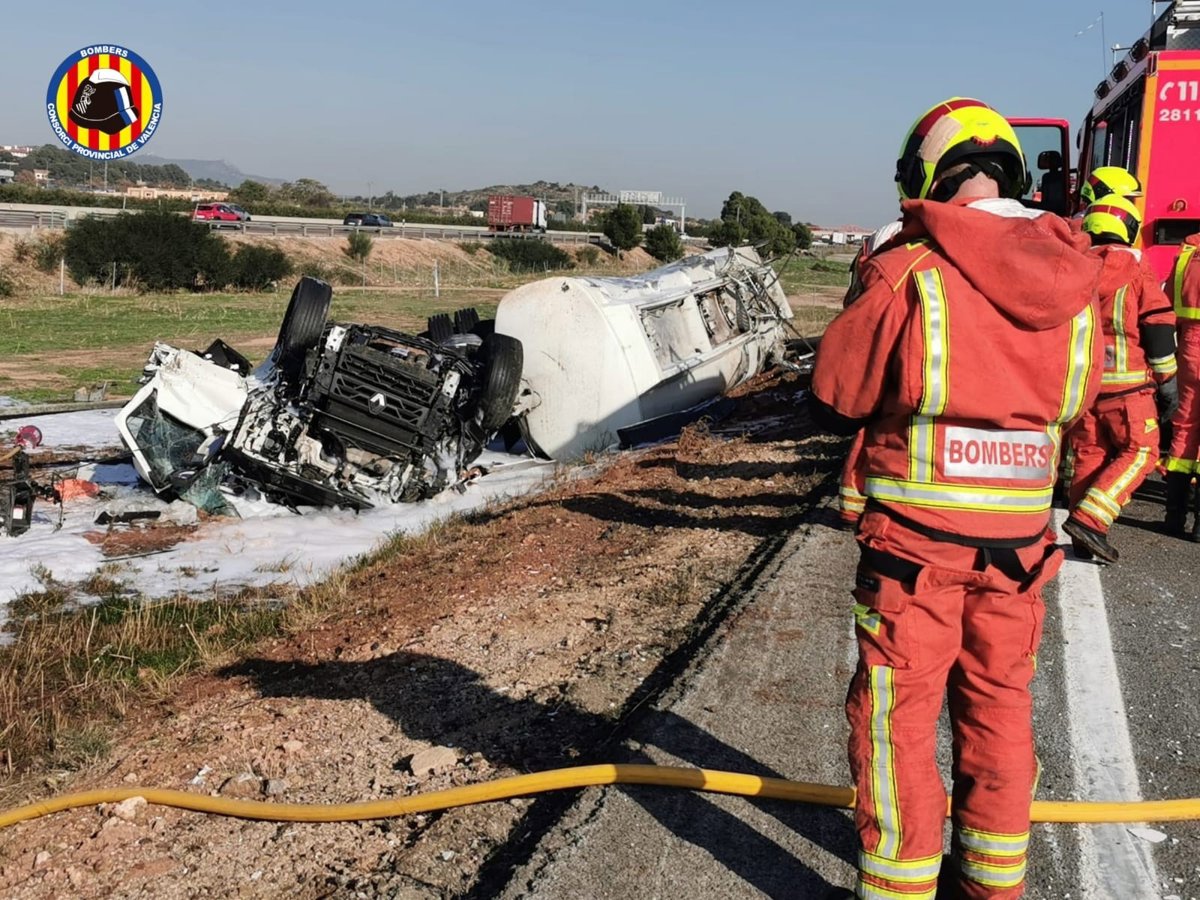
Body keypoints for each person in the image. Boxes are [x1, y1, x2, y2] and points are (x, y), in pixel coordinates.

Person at [810, 97, 1103, 900]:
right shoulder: (1075, 280)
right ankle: (992, 888)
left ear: (925, 175)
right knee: (1001, 717)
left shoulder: (911, 271)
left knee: (897, 724)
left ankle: (900, 888)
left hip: (914, 555)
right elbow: (1078, 404)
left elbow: (835, 393)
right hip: (1020, 553)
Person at [1060, 196, 1177, 562]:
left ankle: (1083, 537)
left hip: (1084, 386)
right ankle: (1091, 522)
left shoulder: (1075, 266)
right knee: (1142, 451)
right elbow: (1157, 324)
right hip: (1128, 387)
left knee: (1090, 455)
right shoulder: (1136, 265)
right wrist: (1167, 379)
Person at [1165, 231, 1200, 537]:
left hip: (1190, 346)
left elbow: (1166, 305)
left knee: (1185, 425)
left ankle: (1174, 517)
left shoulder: (1186, 255)